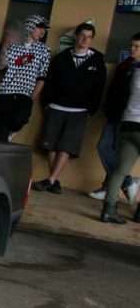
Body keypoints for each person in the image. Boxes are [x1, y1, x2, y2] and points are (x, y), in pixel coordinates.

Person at [32, 22, 107, 194]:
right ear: (76, 36)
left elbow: (99, 88)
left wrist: (91, 109)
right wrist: (47, 103)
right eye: (82, 35)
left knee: (66, 146)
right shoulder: (61, 57)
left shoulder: (97, 60)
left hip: (79, 111)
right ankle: (54, 180)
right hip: (56, 106)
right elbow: (49, 81)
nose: (84, 39)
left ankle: (50, 179)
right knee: (49, 144)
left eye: (88, 37)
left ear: (92, 39)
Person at [89, 35, 140, 203]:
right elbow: (115, 89)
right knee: (104, 147)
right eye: (132, 45)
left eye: (137, 46)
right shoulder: (126, 65)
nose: (133, 49)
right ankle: (125, 183)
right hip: (117, 114)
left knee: (120, 155)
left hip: (132, 119)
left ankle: (111, 188)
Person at [0, 15, 50, 142]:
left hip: (25, 93)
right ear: (30, 27)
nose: (43, 32)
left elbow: (42, 76)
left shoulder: (44, 50)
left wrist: (32, 98)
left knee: (20, 119)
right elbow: (1, 65)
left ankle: (11, 134)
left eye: (44, 29)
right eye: (39, 28)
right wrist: (5, 45)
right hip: (6, 90)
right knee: (1, 128)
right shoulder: (14, 45)